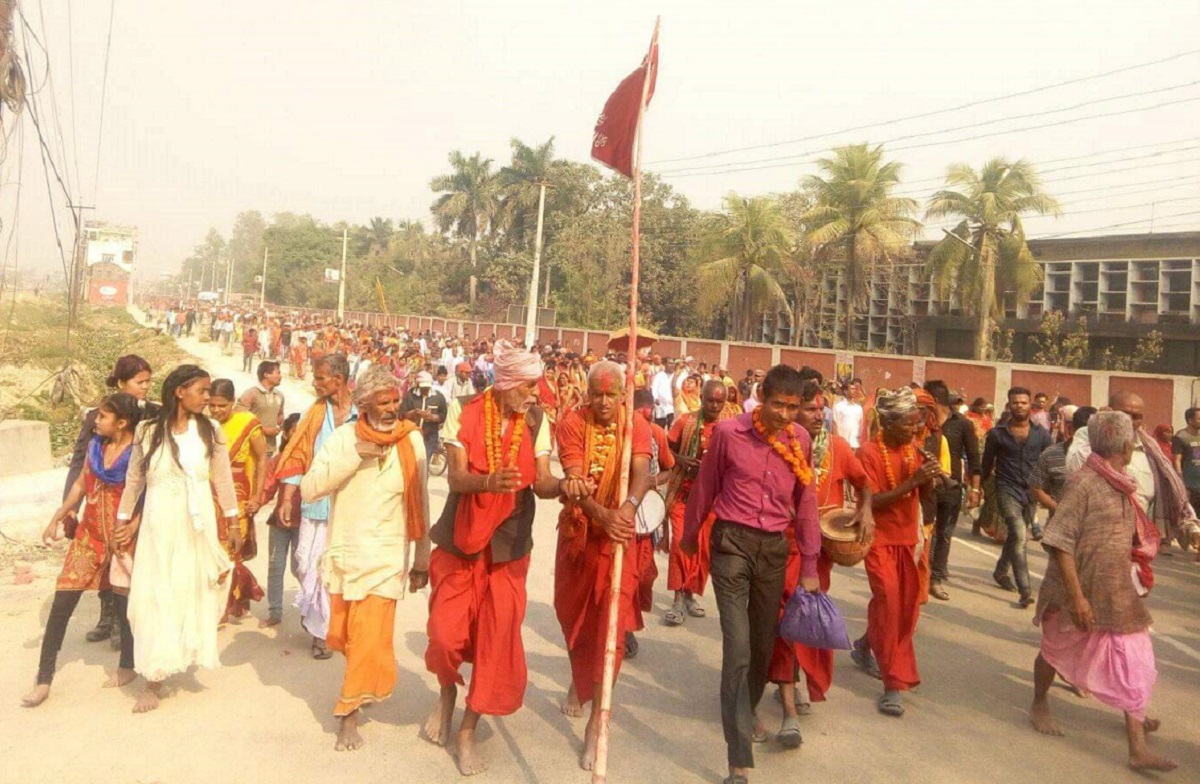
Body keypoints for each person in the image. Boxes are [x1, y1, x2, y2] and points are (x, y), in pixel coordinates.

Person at [422, 340, 561, 775]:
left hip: (508, 546)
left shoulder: (537, 420)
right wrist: (490, 484)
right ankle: (447, 691)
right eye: (529, 386)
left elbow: (541, 483)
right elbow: (459, 479)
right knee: (445, 637)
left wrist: (570, 488)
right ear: (505, 385)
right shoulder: (463, 410)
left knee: (495, 641)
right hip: (462, 540)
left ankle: (467, 729)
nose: (535, 395)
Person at [681, 365, 820, 784]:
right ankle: (737, 759)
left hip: (774, 549)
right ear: (761, 396)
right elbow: (705, 487)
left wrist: (810, 564)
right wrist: (689, 537)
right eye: (778, 404)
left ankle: (747, 706)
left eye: (793, 407)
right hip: (732, 546)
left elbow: (808, 502)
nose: (784, 415)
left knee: (762, 646)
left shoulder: (801, 441)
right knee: (738, 647)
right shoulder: (728, 434)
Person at [1030, 411, 1178, 772]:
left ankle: (1137, 744)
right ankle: (1038, 703)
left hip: (1115, 589)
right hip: (1072, 589)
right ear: (1125, 447)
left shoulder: (1122, 483)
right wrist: (1077, 597)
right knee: (1053, 650)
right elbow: (1060, 543)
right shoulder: (1083, 484)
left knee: (1134, 658)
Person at [300, 364, 431, 751]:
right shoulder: (344, 439)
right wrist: (355, 456)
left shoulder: (413, 441)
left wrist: (421, 559)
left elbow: (421, 501)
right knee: (347, 639)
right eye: (382, 402)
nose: (392, 408)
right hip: (346, 555)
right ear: (363, 405)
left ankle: (347, 715)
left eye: (395, 400)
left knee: (369, 638)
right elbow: (310, 489)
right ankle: (356, 693)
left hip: (386, 558)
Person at [117, 365, 240, 713]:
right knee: (156, 595)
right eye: (201, 391)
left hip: (196, 525)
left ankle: (179, 655)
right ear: (179, 391)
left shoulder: (210, 431)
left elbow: (223, 480)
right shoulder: (148, 430)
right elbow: (134, 481)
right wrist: (122, 523)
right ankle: (152, 678)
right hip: (159, 525)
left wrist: (233, 522)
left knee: (190, 590)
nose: (207, 398)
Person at [554, 361, 653, 771]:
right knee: (574, 619)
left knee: (610, 630)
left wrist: (626, 510)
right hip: (582, 533)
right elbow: (575, 480)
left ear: (623, 396)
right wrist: (602, 514)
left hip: (619, 539)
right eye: (597, 394)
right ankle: (581, 684)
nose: (604, 402)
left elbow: (644, 472)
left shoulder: (637, 425)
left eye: (612, 395)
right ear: (587, 392)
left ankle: (598, 721)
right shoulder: (572, 422)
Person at [22, 393, 143, 708]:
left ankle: (127, 666)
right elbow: (79, 486)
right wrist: (56, 518)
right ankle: (44, 678)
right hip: (89, 538)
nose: (96, 421)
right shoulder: (95, 448)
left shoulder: (139, 455)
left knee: (123, 605)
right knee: (61, 604)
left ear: (122, 422)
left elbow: (149, 495)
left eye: (102, 416)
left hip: (122, 541)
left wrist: (133, 525)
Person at [768, 378, 871, 738]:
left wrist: (866, 512)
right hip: (778, 549)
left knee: (806, 622)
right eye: (808, 409)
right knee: (783, 623)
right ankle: (789, 707)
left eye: (819, 408)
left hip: (816, 554)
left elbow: (864, 483)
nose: (815, 415)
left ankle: (795, 679)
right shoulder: (779, 443)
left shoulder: (838, 448)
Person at [851, 387, 938, 719]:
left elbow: (924, 492)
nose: (915, 430)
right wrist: (914, 480)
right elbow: (870, 502)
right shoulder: (869, 454)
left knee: (905, 607)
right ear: (887, 422)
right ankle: (893, 684)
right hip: (878, 538)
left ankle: (864, 646)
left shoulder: (914, 449)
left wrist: (929, 478)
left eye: (917, 423)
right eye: (907, 424)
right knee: (889, 603)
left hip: (907, 539)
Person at [64, 354, 159, 651]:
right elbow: (81, 461)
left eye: (148, 382)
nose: (145, 387)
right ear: (120, 382)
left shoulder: (155, 414)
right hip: (103, 502)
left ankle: (128, 621)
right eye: (138, 382)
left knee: (132, 562)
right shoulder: (99, 416)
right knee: (103, 557)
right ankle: (108, 617)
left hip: (140, 501)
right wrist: (69, 509)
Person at [275, 354, 358, 659]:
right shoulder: (314, 414)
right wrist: (286, 497)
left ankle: (322, 632)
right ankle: (314, 608)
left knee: (332, 569)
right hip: (315, 504)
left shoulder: (362, 414)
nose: (315, 382)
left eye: (321, 377)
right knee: (302, 562)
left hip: (349, 505)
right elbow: (298, 456)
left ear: (339, 379)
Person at [1070, 391, 1200, 549]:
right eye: (1124, 414)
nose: (1129, 421)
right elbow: (1075, 466)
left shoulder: (1150, 451)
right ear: (1109, 411)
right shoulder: (1088, 435)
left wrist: (1192, 528)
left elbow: (1174, 493)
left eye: (1136, 416)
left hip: (1135, 545)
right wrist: (1101, 428)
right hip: (1092, 542)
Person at [662, 379, 736, 626]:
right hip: (683, 495)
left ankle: (691, 593)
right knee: (680, 544)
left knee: (703, 549)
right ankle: (676, 598)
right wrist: (681, 459)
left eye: (719, 400)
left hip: (713, 500)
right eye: (709, 400)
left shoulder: (731, 426)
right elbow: (665, 449)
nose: (714, 405)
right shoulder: (686, 421)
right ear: (701, 398)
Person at [982, 387, 1052, 608]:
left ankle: (1001, 571)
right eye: (1015, 403)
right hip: (1006, 488)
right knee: (1020, 534)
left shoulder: (1042, 434)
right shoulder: (997, 434)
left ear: (1030, 405)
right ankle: (1025, 591)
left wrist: (1046, 492)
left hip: (1030, 492)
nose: (1019, 406)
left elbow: (1049, 463)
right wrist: (977, 489)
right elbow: (986, 464)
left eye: (1023, 402)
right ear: (1009, 405)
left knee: (1014, 535)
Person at [208, 380, 267, 623]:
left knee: (230, 549)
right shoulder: (205, 424)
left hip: (239, 492)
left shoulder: (247, 423)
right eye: (212, 405)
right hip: (210, 493)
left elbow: (263, 458)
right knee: (211, 549)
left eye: (221, 405)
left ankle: (224, 608)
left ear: (233, 403)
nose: (216, 411)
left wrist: (257, 497)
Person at [923, 380, 982, 602]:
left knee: (944, 534)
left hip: (952, 487)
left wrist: (975, 489)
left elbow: (974, 457)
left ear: (935, 400)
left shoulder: (963, 424)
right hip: (926, 486)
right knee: (926, 532)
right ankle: (922, 574)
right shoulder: (923, 423)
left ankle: (935, 579)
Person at [260, 413, 302, 628]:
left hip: (306, 522)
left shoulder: (315, 460)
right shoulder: (277, 461)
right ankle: (275, 611)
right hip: (279, 521)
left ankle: (311, 609)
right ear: (285, 433)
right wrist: (254, 505)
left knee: (301, 567)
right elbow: (267, 489)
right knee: (275, 566)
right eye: (294, 430)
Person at [1031, 406, 1096, 519]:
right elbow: (1035, 487)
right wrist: (1057, 508)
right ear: (1070, 429)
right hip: (1059, 527)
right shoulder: (1051, 454)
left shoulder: (1109, 456)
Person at [236, 361, 285, 457]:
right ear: (266, 374)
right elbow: (238, 419)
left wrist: (282, 425)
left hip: (269, 449)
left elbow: (280, 416)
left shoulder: (279, 396)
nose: (280, 376)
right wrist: (263, 430)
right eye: (278, 373)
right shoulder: (251, 394)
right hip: (250, 448)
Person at [402, 370, 449, 466]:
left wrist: (431, 417)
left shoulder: (438, 397)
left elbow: (443, 416)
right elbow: (401, 414)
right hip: (411, 434)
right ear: (417, 385)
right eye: (423, 387)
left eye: (427, 387)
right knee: (411, 464)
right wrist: (412, 414)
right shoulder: (410, 396)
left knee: (424, 463)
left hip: (429, 436)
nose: (425, 390)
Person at [1171, 407, 1200, 512]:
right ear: (1190, 420)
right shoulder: (1180, 437)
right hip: (1190, 485)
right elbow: (1177, 460)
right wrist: (1180, 481)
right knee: (1190, 515)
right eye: (1199, 419)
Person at [832, 378, 864, 449]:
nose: (854, 391)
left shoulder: (859, 408)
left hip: (855, 444)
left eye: (855, 389)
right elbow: (834, 425)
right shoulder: (838, 406)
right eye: (852, 389)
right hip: (842, 445)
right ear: (845, 391)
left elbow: (861, 427)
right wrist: (838, 443)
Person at [651, 358, 676, 429]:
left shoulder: (676, 376)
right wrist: (655, 398)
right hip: (661, 405)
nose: (672, 365)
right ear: (665, 364)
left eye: (673, 363)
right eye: (670, 363)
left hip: (673, 406)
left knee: (672, 427)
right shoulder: (659, 375)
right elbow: (654, 388)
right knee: (659, 427)